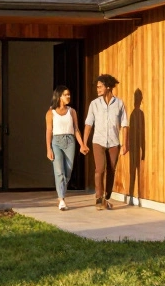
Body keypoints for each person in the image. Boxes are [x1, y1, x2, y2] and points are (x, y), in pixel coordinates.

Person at [82, 74, 128, 210]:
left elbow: (125, 125)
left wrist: (125, 144)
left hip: (114, 142)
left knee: (111, 169)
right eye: (97, 87)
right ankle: (98, 197)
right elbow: (88, 124)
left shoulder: (119, 104)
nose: (98, 89)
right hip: (98, 141)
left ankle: (106, 197)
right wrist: (84, 143)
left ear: (108, 87)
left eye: (100, 87)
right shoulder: (94, 104)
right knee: (100, 169)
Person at [44, 86, 86, 211]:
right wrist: (48, 149)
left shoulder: (72, 111)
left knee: (67, 172)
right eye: (66, 95)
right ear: (59, 96)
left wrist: (82, 144)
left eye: (69, 94)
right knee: (59, 172)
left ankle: (61, 194)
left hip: (70, 141)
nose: (68, 97)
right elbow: (49, 131)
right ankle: (61, 199)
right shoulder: (50, 112)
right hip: (56, 142)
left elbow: (76, 129)